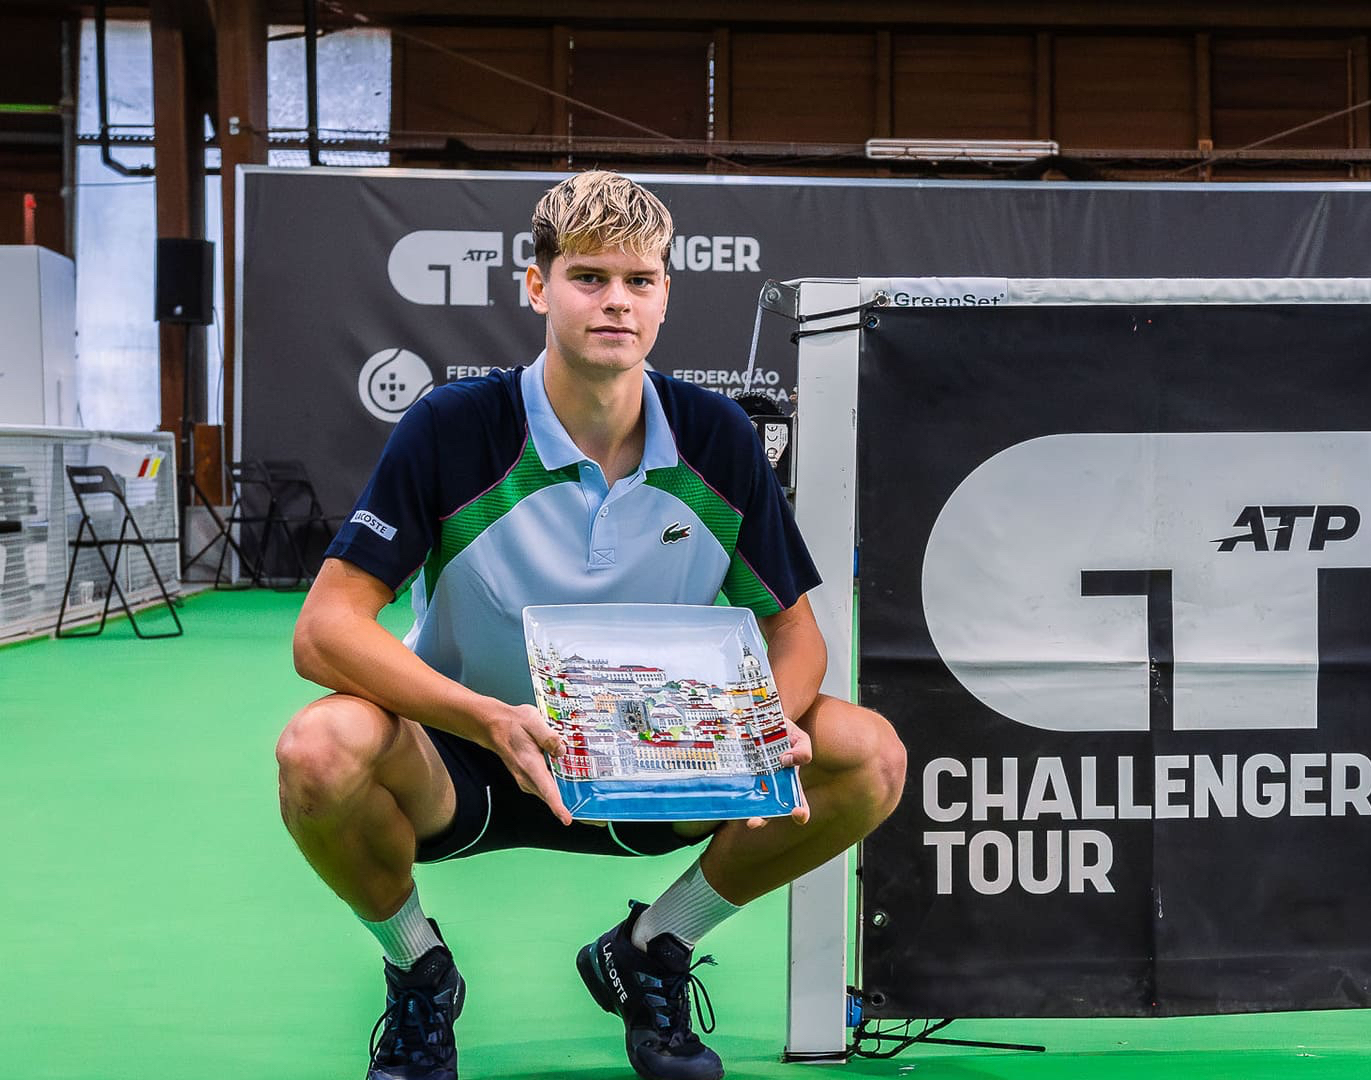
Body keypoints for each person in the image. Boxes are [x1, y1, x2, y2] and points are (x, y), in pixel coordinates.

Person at [276, 170, 906, 1080]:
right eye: (589, 277)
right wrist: (486, 719)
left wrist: (763, 733)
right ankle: (419, 970)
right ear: (538, 286)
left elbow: (795, 635)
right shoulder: (455, 427)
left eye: (639, 281)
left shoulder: (718, 436)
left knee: (867, 754)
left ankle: (651, 947)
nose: (616, 301)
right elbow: (325, 632)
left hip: (656, 764)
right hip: (466, 758)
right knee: (318, 749)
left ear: (664, 297)